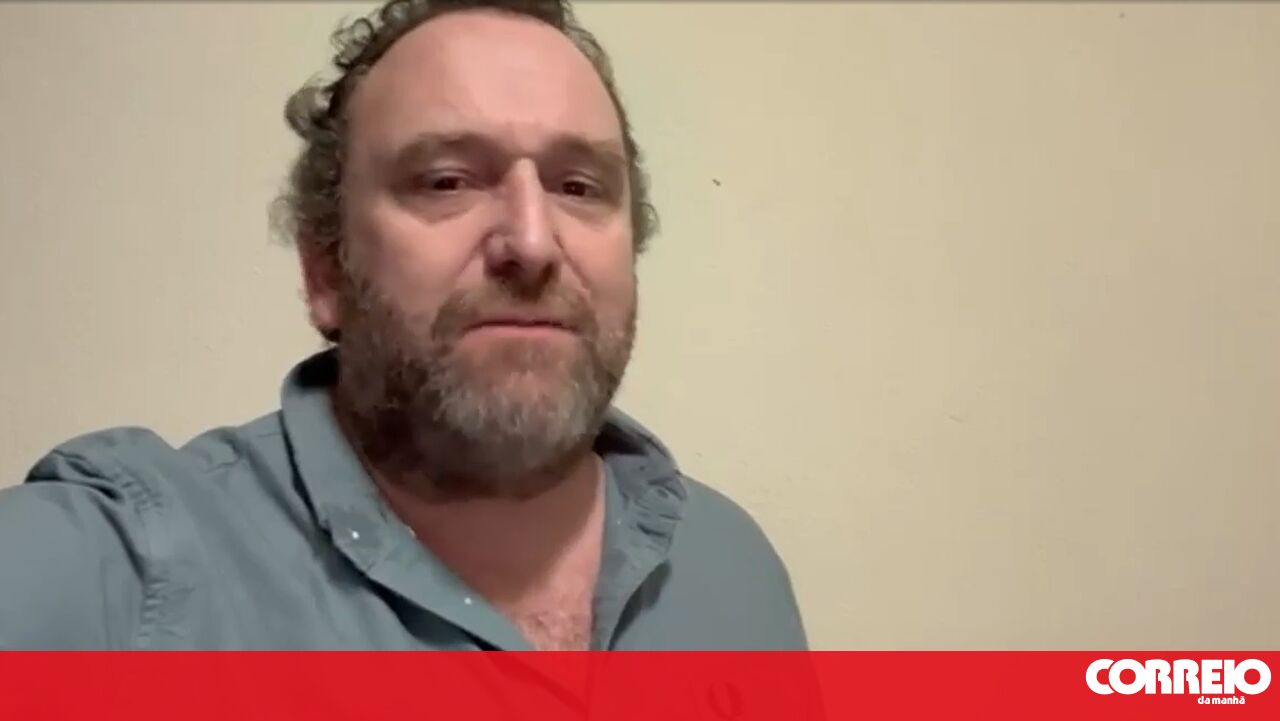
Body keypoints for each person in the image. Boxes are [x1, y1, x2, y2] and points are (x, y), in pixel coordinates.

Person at [0, 0, 807, 651]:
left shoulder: (730, 573)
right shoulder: (123, 573)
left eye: (579, 186)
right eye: (446, 180)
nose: (532, 241)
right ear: (325, 268)